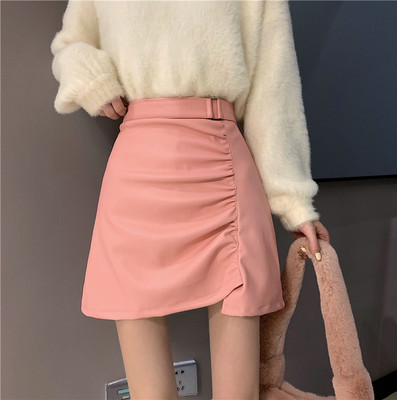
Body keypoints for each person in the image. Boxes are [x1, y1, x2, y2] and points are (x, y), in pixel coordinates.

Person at [50, 1, 330, 399]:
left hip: (222, 168)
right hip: (137, 171)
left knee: (239, 394)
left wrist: (294, 200)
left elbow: (273, 87)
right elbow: (70, 45)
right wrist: (91, 79)